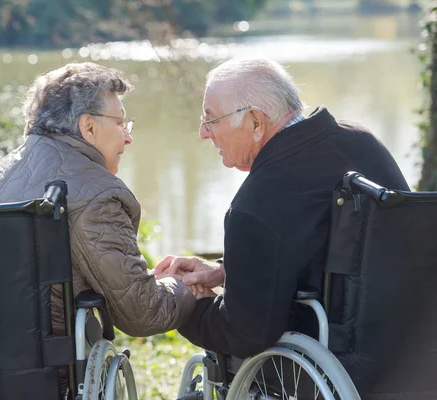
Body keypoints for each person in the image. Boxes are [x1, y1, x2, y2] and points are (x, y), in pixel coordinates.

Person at [153, 57, 409, 393]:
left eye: (210, 119)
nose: (203, 132)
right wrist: (226, 270)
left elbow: (244, 334)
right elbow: (344, 257)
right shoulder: (362, 143)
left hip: (331, 370)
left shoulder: (256, 204)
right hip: (411, 348)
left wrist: (185, 303)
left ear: (256, 122)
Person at [0, 63, 195, 380]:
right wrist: (183, 287)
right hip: (44, 372)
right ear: (88, 127)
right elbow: (143, 313)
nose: (128, 137)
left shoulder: (3, 175)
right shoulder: (98, 195)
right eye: (121, 123)